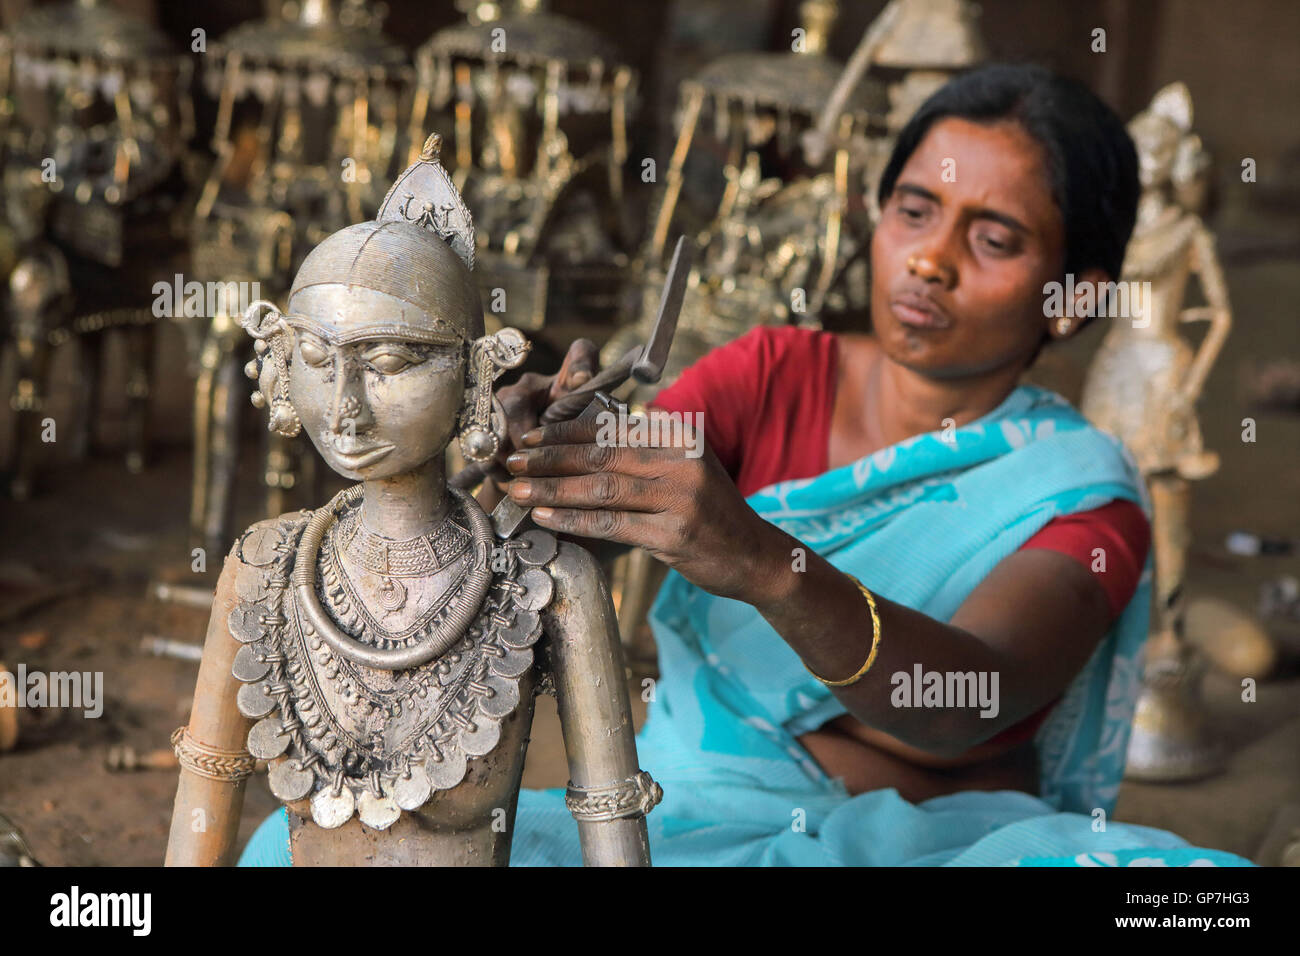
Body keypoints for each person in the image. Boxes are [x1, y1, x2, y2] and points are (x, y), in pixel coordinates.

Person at [493, 63, 1253, 866]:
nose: (931, 259)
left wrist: (766, 565)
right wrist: (539, 457)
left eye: (993, 239)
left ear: (1075, 301)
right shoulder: (771, 374)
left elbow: (963, 702)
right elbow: (613, 502)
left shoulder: (1081, 494)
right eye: (915, 211)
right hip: (684, 818)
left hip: (952, 852)